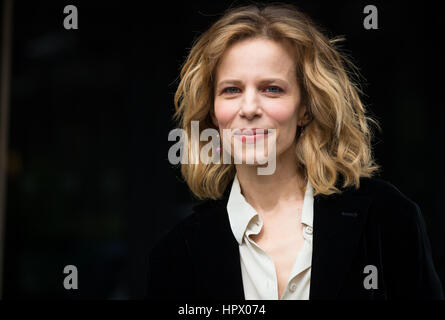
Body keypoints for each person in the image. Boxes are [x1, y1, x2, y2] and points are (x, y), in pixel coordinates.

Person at [146, 3, 444, 300]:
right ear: (213, 112)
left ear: (305, 108)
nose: (249, 108)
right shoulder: (176, 254)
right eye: (231, 90)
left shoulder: (387, 219)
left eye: (272, 89)